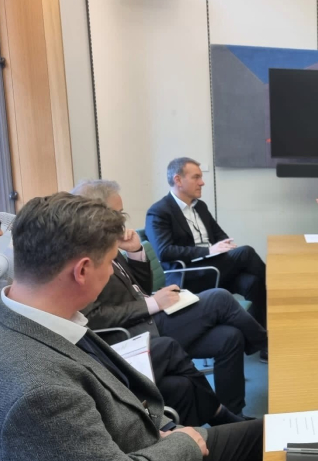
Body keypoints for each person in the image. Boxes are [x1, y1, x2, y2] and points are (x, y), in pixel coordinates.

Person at [0, 192, 262, 461]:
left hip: (153, 435)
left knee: (268, 428)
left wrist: (165, 432)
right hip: (163, 449)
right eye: (110, 262)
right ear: (82, 271)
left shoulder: (35, 316)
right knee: (278, 440)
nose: (113, 272)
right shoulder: (41, 394)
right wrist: (181, 444)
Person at [73, 179, 268, 416]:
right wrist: (153, 303)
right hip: (138, 331)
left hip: (152, 316)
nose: (122, 219)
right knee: (219, 297)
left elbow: (140, 289)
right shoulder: (83, 257)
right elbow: (94, 317)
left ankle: (233, 413)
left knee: (230, 337)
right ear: (96, 213)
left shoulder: (107, 244)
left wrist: (135, 252)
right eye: (117, 213)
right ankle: (268, 345)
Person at [145, 158, 268, 360]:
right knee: (246, 253)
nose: (202, 182)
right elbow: (165, 251)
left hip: (215, 269)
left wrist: (222, 246)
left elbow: (220, 235)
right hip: (189, 275)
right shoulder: (159, 211)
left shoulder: (200, 206)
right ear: (178, 179)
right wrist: (208, 251)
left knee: (254, 282)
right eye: (196, 177)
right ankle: (273, 316)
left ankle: (258, 343)